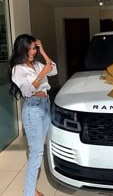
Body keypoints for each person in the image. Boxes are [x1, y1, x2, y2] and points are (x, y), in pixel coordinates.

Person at [9, 34, 57, 196]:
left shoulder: (36, 63)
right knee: (36, 153)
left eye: (34, 48)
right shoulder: (18, 69)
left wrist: (43, 51)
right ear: (22, 49)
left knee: (42, 148)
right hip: (33, 110)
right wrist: (42, 73)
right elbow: (27, 91)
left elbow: (53, 69)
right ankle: (29, 193)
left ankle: (32, 190)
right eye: (30, 48)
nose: (33, 51)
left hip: (45, 105)